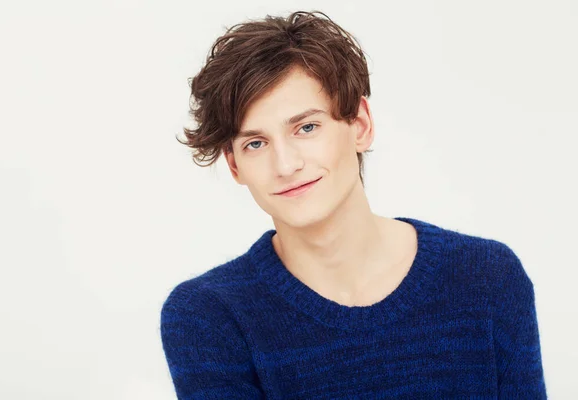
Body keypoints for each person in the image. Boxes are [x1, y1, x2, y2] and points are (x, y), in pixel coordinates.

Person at [160, 10, 547, 399]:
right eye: (255, 143)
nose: (286, 164)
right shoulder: (209, 317)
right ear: (234, 165)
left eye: (306, 127)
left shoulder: (486, 279)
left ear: (360, 125)